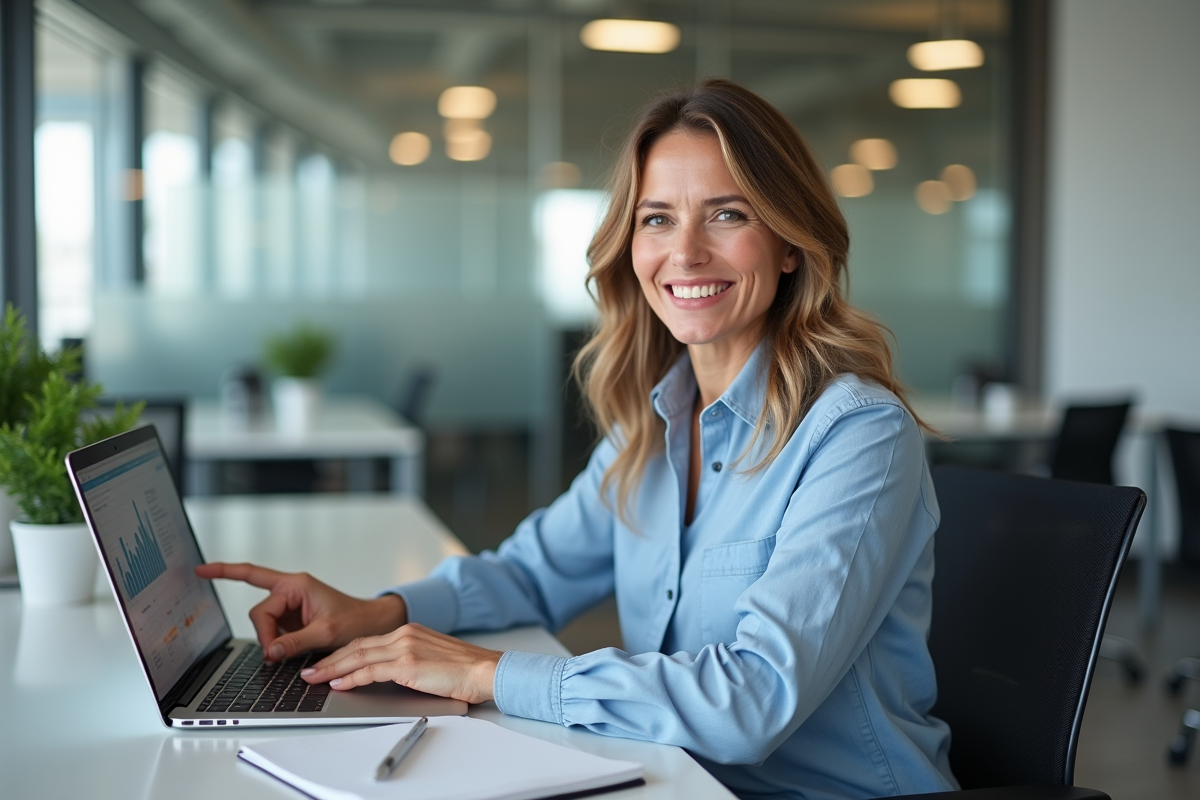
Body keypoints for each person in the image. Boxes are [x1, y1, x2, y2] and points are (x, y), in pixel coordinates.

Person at [198, 80, 958, 799]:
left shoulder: (857, 436)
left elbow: (751, 700)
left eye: (728, 214)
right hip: (673, 777)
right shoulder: (653, 424)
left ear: (790, 243)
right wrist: (382, 610)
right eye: (657, 217)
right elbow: (531, 574)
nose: (685, 253)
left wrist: (487, 674)